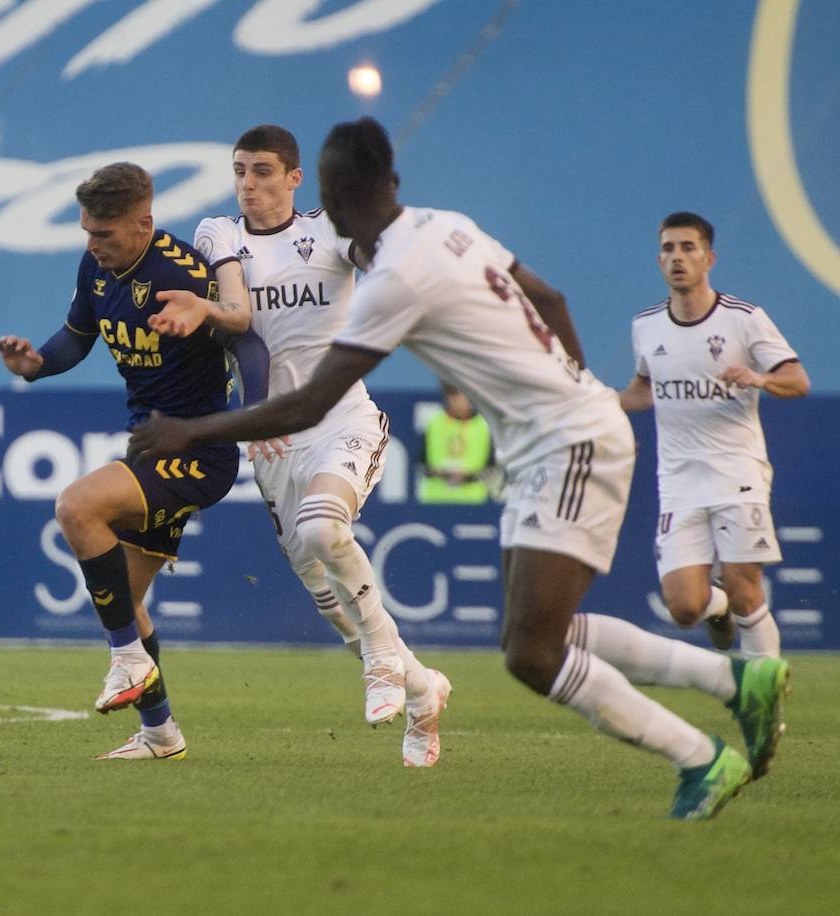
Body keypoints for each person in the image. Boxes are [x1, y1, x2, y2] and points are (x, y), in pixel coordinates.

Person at [129, 117, 791, 819]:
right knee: (537, 636)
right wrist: (578, 386)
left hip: (566, 443)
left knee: (531, 657)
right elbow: (553, 298)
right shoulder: (449, 225)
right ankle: (734, 684)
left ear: (326, 195)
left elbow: (313, 402)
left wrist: (191, 429)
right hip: (553, 438)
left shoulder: (392, 282)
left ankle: (701, 755)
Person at [148, 124, 448, 766]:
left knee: (320, 531)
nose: (248, 185)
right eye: (239, 172)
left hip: (342, 418)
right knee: (324, 589)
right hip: (272, 439)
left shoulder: (330, 233)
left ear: (294, 178)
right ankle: (423, 690)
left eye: (262, 172)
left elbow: (391, 267)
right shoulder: (218, 234)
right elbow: (237, 313)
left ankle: (380, 663)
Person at [0, 162, 269, 760]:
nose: (93, 245)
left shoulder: (183, 273)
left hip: (197, 450)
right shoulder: (96, 266)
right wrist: (36, 364)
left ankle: (124, 661)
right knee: (128, 600)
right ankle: (161, 733)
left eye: (106, 233)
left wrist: (261, 416)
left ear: (144, 221)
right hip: (147, 445)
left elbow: (246, 338)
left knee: (76, 506)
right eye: (88, 232)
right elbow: (77, 336)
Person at [620, 211, 809, 656]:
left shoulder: (744, 319)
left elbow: (797, 381)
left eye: (688, 248)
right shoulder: (646, 326)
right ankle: (716, 606)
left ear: (709, 258)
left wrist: (759, 379)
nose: (677, 257)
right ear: (658, 260)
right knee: (685, 607)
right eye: (668, 248)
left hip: (737, 472)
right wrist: (592, 403)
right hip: (679, 480)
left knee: (747, 589)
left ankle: (764, 708)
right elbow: (643, 391)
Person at [418, 382, 493, 505]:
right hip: (436, 500)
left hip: (473, 501)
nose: (457, 402)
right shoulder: (435, 422)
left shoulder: (483, 426)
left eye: (460, 396)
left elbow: (492, 468)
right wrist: (439, 472)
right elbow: (422, 463)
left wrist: (468, 476)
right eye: (453, 396)